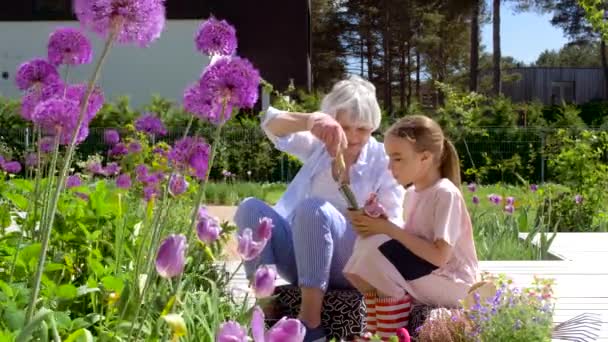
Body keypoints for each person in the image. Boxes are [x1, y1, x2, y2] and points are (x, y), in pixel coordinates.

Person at [234, 76, 405, 341]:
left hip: (354, 264)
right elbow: (271, 124)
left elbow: (394, 226)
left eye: (363, 129)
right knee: (250, 209)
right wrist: (310, 120)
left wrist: (370, 212)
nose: (352, 136)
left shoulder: (382, 160)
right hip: (303, 260)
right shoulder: (319, 146)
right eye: (344, 127)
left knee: (313, 209)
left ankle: (310, 323)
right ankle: (266, 311)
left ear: (374, 126)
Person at [343, 115, 479, 340]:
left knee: (375, 247)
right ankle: (376, 330)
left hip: (454, 285)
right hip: (429, 275)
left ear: (425, 157)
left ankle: (389, 334)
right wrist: (378, 221)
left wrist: (387, 229)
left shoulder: (445, 193)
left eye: (397, 158)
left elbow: (439, 257)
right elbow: (412, 241)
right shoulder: (411, 194)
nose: (390, 166)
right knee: (368, 243)